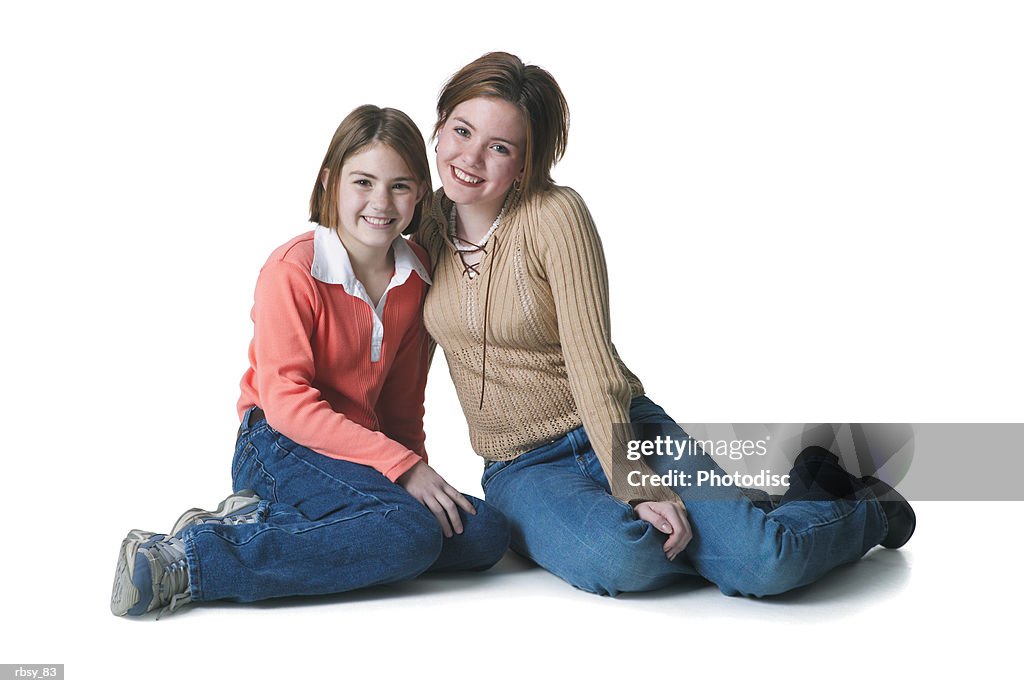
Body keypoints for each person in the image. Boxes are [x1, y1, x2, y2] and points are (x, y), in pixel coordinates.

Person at [413, 52, 915, 598]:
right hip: (521, 467)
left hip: (624, 427)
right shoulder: (422, 227)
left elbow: (591, 361)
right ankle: (742, 515)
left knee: (765, 564)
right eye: (461, 131)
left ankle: (866, 510)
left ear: (527, 161)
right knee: (623, 558)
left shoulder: (555, 215)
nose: (471, 158)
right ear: (438, 128)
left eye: (500, 147)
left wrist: (633, 480)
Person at [110, 105, 510, 617]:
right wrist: (401, 473)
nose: (380, 203)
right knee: (408, 534)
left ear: (418, 195)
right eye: (363, 182)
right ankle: (190, 558)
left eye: (400, 186)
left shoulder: (416, 278)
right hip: (277, 442)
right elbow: (286, 403)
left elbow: (403, 405)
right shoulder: (292, 269)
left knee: (482, 534)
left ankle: (269, 523)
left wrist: (416, 472)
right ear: (331, 183)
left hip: (359, 452)